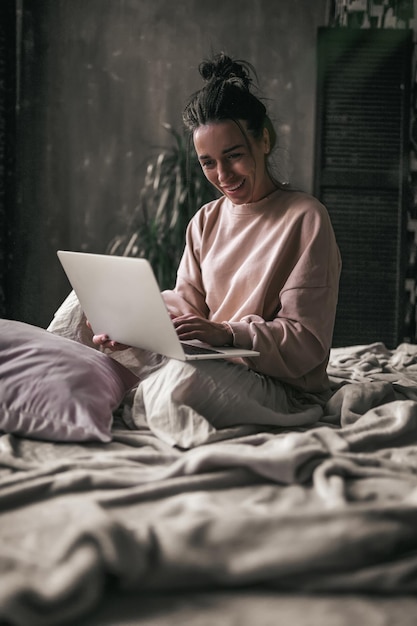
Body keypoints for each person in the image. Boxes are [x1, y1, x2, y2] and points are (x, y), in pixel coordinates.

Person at [53, 52, 341, 447]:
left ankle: (122, 396)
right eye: (208, 163)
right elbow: (188, 311)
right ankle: (53, 399)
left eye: (234, 156)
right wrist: (130, 332)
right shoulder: (205, 220)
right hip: (210, 358)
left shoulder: (306, 218)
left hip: (275, 383)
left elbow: (306, 342)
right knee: (78, 310)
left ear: (265, 140)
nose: (222, 176)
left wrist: (225, 333)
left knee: (177, 382)